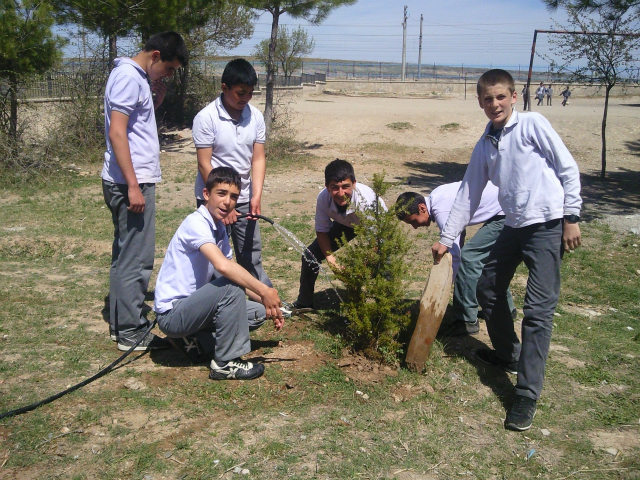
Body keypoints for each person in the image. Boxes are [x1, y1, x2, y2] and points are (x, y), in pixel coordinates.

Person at [432, 69, 582, 432]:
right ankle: (509, 355)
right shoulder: (486, 142)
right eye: (487, 99)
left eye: (501, 97)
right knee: (488, 286)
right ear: (480, 102)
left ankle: (526, 393)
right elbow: (469, 192)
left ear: (513, 97)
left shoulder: (533, 124)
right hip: (513, 226)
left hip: (547, 225)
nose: (495, 104)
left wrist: (572, 216)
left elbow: (567, 166)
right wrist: (447, 238)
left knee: (538, 311)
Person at [154, 167, 284, 380]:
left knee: (258, 313)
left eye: (233, 196)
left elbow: (231, 269)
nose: (227, 202)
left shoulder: (219, 228)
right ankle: (225, 363)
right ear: (206, 194)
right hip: (173, 315)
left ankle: (195, 340)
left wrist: (269, 303)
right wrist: (264, 289)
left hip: (194, 307)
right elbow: (223, 267)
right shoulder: (196, 223)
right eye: (221, 194)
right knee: (230, 286)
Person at [102, 31, 188, 351]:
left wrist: (156, 100)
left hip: (129, 181)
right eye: (168, 68)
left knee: (126, 254)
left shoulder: (135, 78)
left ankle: (120, 322)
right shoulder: (128, 77)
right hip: (129, 184)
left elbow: (133, 126)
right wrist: (134, 186)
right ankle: (130, 331)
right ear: (154, 56)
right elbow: (117, 132)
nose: (168, 74)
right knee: (136, 259)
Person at [396, 183, 516, 336]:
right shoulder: (437, 197)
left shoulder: (441, 210)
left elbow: (455, 255)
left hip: (508, 211)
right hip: (506, 205)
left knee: (469, 258)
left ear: (422, 208)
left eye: (413, 221)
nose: (414, 227)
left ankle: (466, 321)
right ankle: (506, 309)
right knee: (480, 258)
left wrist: (443, 288)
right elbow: (456, 233)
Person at [192, 59, 271, 289]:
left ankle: (262, 296)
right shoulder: (206, 118)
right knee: (215, 257)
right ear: (224, 87)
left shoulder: (255, 117)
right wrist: (223, 201)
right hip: (215, 198)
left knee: (251, 253)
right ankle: (215, 301)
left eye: (250, 93)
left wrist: (255, 196)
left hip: (244, 197)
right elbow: (204, 164)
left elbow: (258, 158)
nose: (245, 98)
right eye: (240, 93)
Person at [294, 159, 386, 309]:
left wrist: (361, 267)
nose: (341, 193)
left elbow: (376, 240)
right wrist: (332, 261)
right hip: (346, 224)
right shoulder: (323, 198)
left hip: (377, 229)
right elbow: (322, 231)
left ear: (354, 184)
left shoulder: (367, 202)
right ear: (327, 187)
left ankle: (383, 310)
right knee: (309, 256)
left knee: (383, 263)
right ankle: (304, 303)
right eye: (335, 187)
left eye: (346, 187)